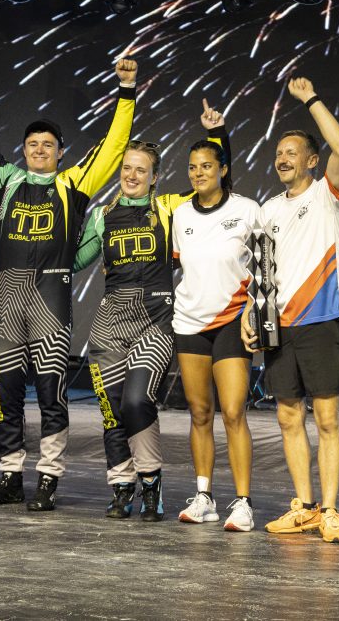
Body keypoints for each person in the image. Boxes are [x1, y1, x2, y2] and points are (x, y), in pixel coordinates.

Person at [0, 56, 137, 511]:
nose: (39, 149)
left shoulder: (74, 183)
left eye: (48, 144)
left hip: (50, 302)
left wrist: (126, 91)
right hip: (7, 301)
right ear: (24, 150)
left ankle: (49, 478)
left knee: (53, 395)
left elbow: (113, 147)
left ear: (61, 152)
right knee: (7, 396)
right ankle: (10, 476)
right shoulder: (6, 180)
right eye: (33, 144)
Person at [241, 77, 339, 544]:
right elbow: (261, 272)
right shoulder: (267, 210)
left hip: (321, 321)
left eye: (292, 152)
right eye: (278, 153)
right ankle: (304, 507)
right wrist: (249, 313)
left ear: (311, 161)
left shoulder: (326, 195)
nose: (282, 159)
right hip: (279, 326)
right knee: (288, 417)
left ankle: (330, 510)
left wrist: (311, 99)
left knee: (326, 420)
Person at [73, 137, 193, 522]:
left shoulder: (170, 208)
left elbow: (215, 189)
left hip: (155, 321)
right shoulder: (102, 216)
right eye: (127, 168)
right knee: (112, 412)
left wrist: (217, 136)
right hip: (109, 324)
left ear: (154, 177)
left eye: (141, 170)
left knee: (136, 402)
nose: (132, 175)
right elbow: (73, 261)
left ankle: (151, 482)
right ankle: (122, 487)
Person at [171, 102, 260, 531]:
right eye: (192, 167)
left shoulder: (247, 209)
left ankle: (242, 503)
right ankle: (204, 496)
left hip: (231, 320)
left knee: (233, 411)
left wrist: (252, 309)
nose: (198, 173)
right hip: (189, 322)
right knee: (199, 412)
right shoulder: (181, 214)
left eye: (207, 166)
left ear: (223, 169)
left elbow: (266, 267)